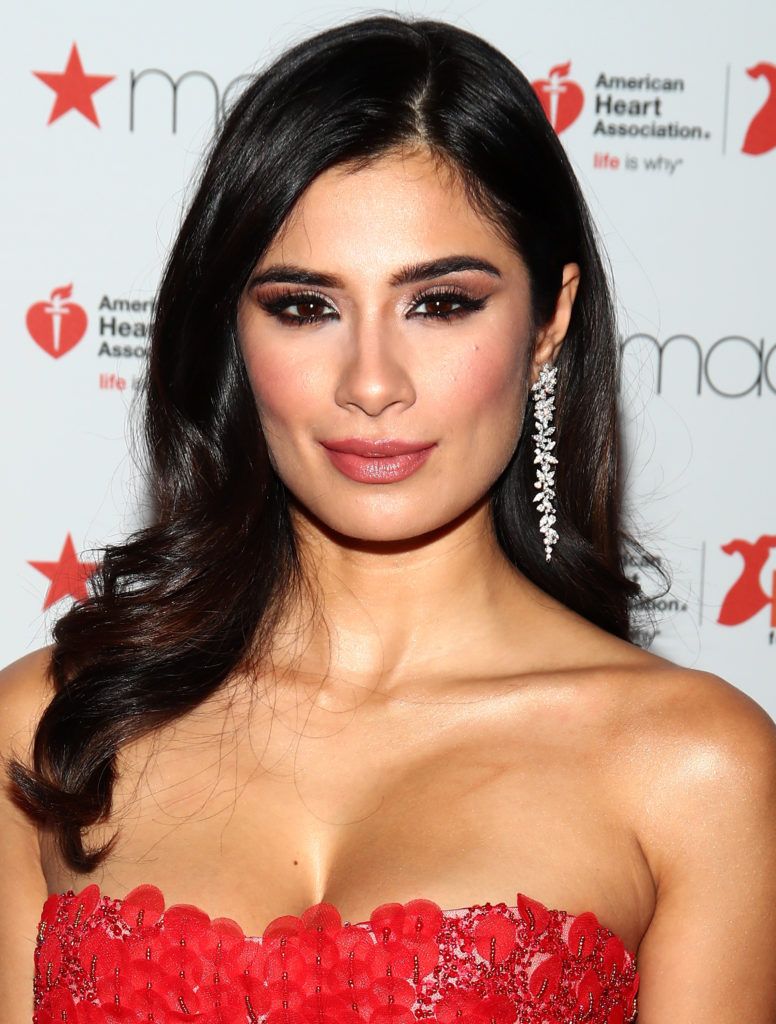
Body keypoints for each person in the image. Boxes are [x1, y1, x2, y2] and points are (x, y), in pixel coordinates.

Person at [2, 13, 775, 1024]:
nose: (371, 382)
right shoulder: (50, 727)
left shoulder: (692, 766)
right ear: (231, 330)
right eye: (303, 307)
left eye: (440, 303)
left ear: (548, 320)